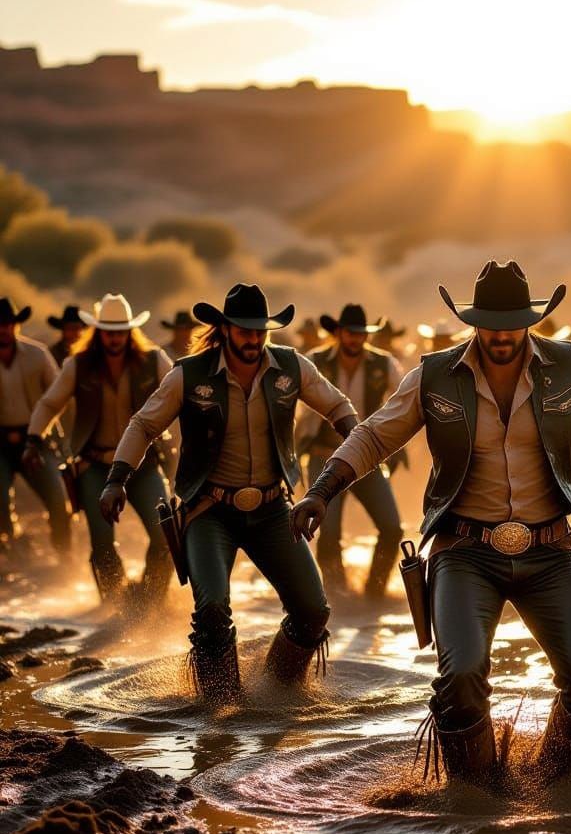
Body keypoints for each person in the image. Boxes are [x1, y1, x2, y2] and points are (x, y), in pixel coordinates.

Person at [292, 261, 571, 785]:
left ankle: (549, 786)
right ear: (472, 320)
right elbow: (375, 436)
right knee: (462, 677)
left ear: (530, 320)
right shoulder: (434, 374)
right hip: (464, 551)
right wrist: (320, 491)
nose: (500, 333)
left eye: (512, 321)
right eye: (489, 322)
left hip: (551, 551)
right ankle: (475, 797)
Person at [99, 283, 357, 700]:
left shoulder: (292, 368)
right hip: (208, 511)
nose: (253, 338)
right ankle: (219, 707)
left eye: (260, 331)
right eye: (244, 330)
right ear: (224, 329)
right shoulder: (189, 373)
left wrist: (355, 442)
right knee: (212, 609)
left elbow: (339, 406)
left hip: (275, 509)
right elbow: (144, 425)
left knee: (313, 610)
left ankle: (278, 690)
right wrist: (116, 479)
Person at [26, 294, 174, 605]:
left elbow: (181, 396)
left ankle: (150, 602)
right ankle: (115, 606)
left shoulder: (154, 360)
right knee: (103, 544)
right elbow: (50, 403)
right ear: (98, 332)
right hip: (94, 465)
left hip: (143, 465)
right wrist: (34, 438)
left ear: (130, 332)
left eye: (121, 331)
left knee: (165, 535)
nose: (115, 338)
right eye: (109, 331)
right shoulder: (77, 365)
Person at [299, 303, 404, 598]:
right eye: (350, 333)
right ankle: (336, 596)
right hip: (323, 456)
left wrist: (394, 447)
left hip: (367, 457)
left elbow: (404, 404)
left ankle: (375, 592)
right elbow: (296, 412)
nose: (356, 339)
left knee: (392, 527)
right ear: (339, 333)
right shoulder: (314, 361)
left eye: (361, 333)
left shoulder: (385, 364)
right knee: (328, 532)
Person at [0, 298, 69, 552]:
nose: (3, 329)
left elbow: (58, 395)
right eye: (0, 325)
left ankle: (64, 552)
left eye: (7, 324)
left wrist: (45, 430)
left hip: (36, 438)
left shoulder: (37, 354)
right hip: (0, 441)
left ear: (16, 326)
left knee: (58, 497)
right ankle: (10, 545)